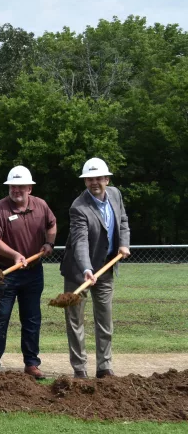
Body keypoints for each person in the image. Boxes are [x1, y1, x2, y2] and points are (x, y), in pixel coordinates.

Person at [60, 157, 131, 379]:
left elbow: (123, 222)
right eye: (90, 179)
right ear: (85, 182)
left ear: (107, 179)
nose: (94, 182)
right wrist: (86, 269)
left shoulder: (116, 195)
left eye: (99, 178)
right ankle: (80, 369)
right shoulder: (78, 207)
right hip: (79, 271)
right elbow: (80, 241)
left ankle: (104, 367)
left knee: (105, 318)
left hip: (106, 266)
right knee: (75, 320)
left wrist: (124, 243)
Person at [0, 166, 56, 379]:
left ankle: (31, 363)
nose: (16, 190)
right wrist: (15, 255)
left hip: (33, 272)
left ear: (29, 188)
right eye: (13, 186)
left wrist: (49, 243)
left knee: (32, 318)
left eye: (20, 186)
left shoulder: (41, 206)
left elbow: (52, 224)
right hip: (5, 272)